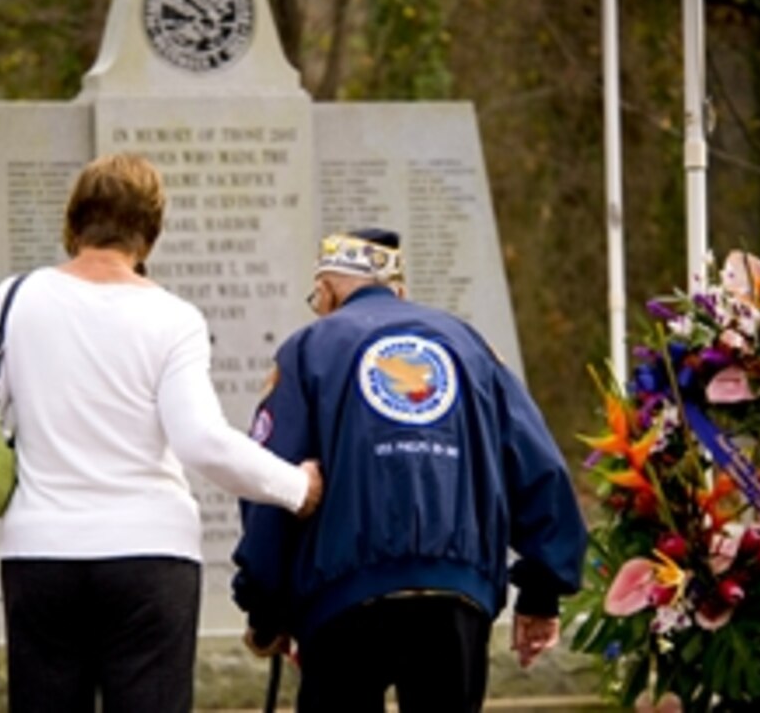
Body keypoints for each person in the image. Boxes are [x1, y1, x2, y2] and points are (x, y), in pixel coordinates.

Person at [0, 153, 322, 713]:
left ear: (73, 223)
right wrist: (296, 487)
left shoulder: (13, 300)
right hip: (149, 557)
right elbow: (199, 441)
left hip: (40, 551)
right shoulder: (173, 317)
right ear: (150, 233)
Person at [232, 228, 588, 712]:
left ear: (330, 289)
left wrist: (265, 607)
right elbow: (537, 463)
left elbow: (269, 478)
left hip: (342, 598)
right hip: (455, 593)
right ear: (398, 289)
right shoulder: (470, 347)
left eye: (316, 298)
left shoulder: (308, 349)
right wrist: (542, 591)